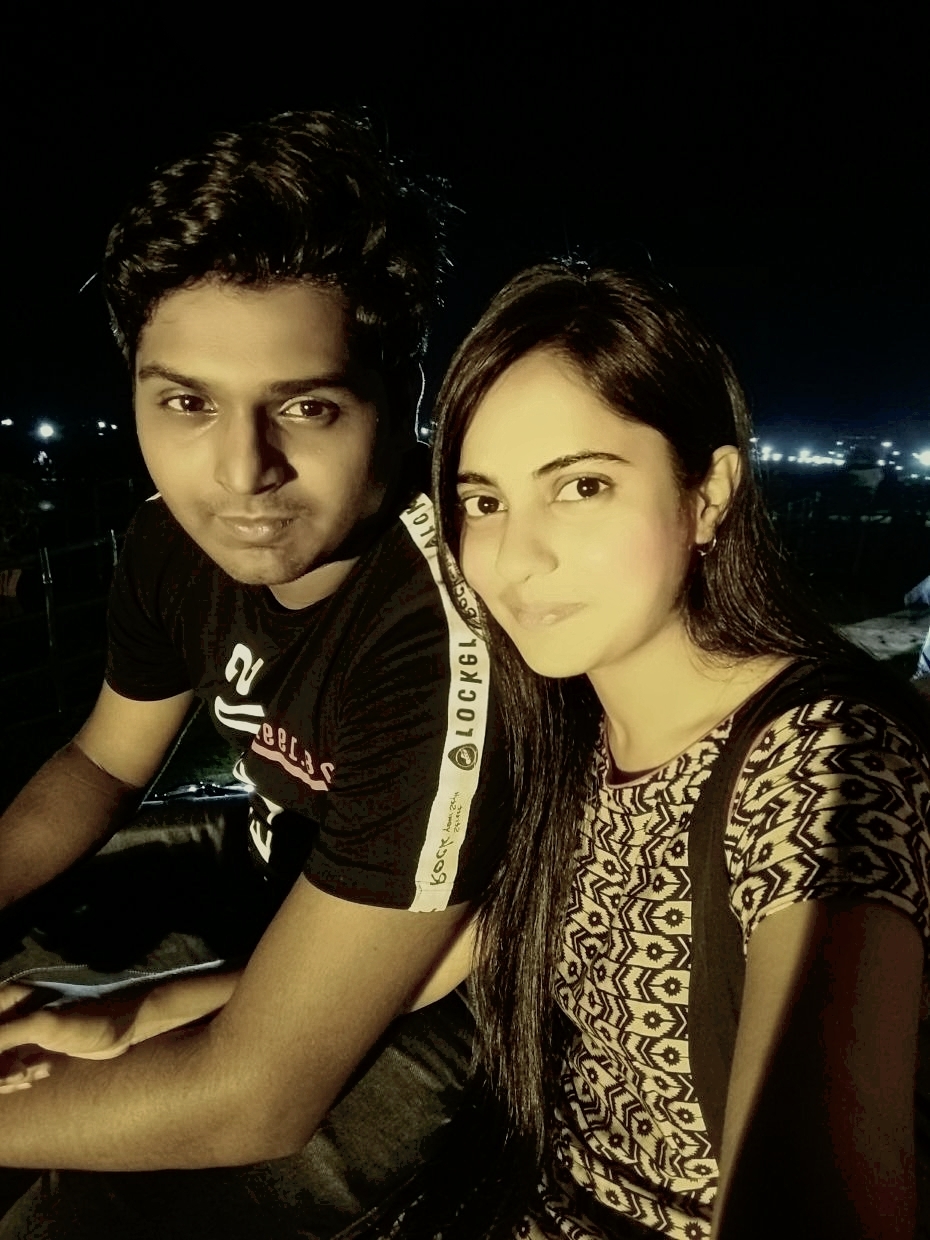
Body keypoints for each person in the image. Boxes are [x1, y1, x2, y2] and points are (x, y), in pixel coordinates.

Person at [0, 111, 506, 1239]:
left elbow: (259, 1094)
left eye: (307, 406)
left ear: (402, 396)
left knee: (85, 1206)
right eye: (187, 403)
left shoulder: (444, 629)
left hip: (451, 1004)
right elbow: (102, 763)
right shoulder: (168, 542)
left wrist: (139, 1017)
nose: (240, 473)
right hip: (282, 888)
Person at [422, 264, 930, 1239]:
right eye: (483, 502)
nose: (516, 557)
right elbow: (429, 952)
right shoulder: (571, 733)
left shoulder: (823, 760)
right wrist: (148, 1018)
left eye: (581, 486)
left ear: (708, 495)